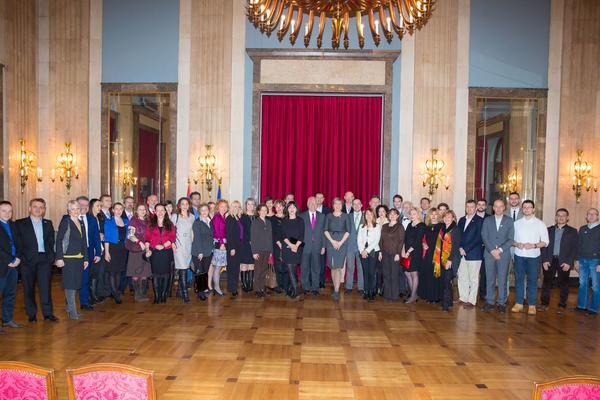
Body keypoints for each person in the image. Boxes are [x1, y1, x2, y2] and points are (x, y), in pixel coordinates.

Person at [15, 198, 57, 322]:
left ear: (44, 210)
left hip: (44, 259)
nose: (38, 209)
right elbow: (18, 243)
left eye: (41, 207)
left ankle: (48, 314)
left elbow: (51, 242)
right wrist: (21, 258)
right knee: (28, 288)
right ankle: (32, 314)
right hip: (27, 261)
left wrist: (51, 257)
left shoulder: (48, 223)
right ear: (29, 208)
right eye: (35, 206)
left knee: (45, 288)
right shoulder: (20, 223)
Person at [512, 200, 548, 315]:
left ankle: (532, 304)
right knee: (519, 280)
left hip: (534, 257)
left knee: (532, 281)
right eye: (525, 207)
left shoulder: (540, 223)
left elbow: (546, 242)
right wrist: (517, 244)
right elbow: (510, 240)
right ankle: (519, 303)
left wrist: (534, 245)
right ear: (522, 209)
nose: (527, 209)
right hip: (519, 256)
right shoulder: (516, 223)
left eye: (529, 207)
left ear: (533, 209)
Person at [539, 208, 578, 313]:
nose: (561, 217)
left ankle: (562, 305)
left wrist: (569, 262)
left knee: (564, 284)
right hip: (549, 260)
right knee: (547, 283)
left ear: (567, 218)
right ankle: (544, 304)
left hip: (564, 261)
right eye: (558, 215)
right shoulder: (548, 230)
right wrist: (545, 260)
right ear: (556, 217)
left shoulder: (573, 231)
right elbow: (543, 246)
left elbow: (574, 248)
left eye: (563, 215)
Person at [55, 200, 89, 320]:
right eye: (73, 209)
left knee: (76, 284)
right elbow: (58, 240)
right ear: (69, 210)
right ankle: (72, 311)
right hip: (68, 258)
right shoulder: (66, 222)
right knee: (70, 285)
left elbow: (84, 241)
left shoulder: (81, 222)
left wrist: (86, 258)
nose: (75, 211)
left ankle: (71, 308)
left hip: (79, 258)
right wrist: (59, 258)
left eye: (77, 209)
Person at [480, 199, 514, 313]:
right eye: (496, 206)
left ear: (504, 207)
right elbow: (484, 236)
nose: (498, 209)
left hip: (503, 255)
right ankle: (490, 301)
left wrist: (499, 250)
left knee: (502, 279)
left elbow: (511, 239)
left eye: (501, 206)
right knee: (490, 279)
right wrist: (492, 251)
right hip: (489, 254)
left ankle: (501, 303)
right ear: (493, 208)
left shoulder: (509, 221)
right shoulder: (487, 220)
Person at [144, 203, 176, 304]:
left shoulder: (170, 224)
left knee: (166, 274)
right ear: (155, 212)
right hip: (155, 252)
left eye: (162, 210)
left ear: (165, 211)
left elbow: (173, 237)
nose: (160, 212)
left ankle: (163, 295)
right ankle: (157, 295)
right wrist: (154, 245)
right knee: (156, 274)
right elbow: (147, 237)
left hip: (166, 251)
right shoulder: (150, 224)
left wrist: (166, 244)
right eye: (158, 210)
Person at [456, 200, 484, 308]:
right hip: (461, 252)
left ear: (476, 208)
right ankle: (463, 297)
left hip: (474, 254)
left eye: (472, 207)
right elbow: (458, 235)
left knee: (473, 278)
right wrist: (459, 247)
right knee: (462, 276)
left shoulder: (480, 221)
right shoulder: (462, 220)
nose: (469, 209)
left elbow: (478, 238)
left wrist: (465, 249)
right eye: (467, 206)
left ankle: (472, 300)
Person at [75, 196, 101, 310]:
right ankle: (70, 303)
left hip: (89, 252)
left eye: (86, 205)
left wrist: (98, 253)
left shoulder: (92, 219)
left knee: (85, 279)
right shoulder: (68, 218)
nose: (84, 207)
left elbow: (96, 238)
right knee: (72, 279)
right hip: (73, 254)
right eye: (81, 205)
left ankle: (84, 303)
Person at [0, 201, 22, 332]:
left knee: (10, 294)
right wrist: (9, 259)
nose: (7, 213)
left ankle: (7, 319)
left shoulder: (14, 225)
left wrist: (18, 258)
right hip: (2, 264)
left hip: (14, 265)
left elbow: (19, 243)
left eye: (10, 211)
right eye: (4, 210)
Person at [574, 208, 600, 316]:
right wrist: (576, 260)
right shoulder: (582, 228)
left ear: (598, 216)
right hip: (582, 260)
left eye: (594, 214)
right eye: (589, 214)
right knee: (582, 284)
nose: (591, 216)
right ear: (586, 216)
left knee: (595, 286)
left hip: (595, 261)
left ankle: (593, 309)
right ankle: (581, 306)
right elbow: (578, 245)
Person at [324, 198, 351, 301]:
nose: (338, 205)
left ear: (342, 205)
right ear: (333, 205)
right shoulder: (329, 216)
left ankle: (336, 290)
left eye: (340, 204)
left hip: (342, 243)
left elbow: (348, 231)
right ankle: (335, 287)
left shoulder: (346, 216)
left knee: (339, 267)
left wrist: (340, 242)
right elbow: (325, 230)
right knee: (333, 267)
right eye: (336, 204)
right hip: (331, 243)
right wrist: (332, 241)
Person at [435, 210, 461, 312]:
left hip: (451, 259)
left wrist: (449, 260)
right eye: (445, 217)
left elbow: (455, 246)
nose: (447, 218)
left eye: (449, 217)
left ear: (453, 218)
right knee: (445, 281)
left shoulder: (455, 229)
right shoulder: (442, 229)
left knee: (446, 282)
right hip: (441, 258)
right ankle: (449, 301)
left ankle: (445, 305)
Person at [103, 203, 129, 304]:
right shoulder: (108, 222)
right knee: (112, 272)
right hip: (113, 248)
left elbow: (129, 235)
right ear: (112, 210)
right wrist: (106, 252)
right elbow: (107, 238)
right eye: (116, 209)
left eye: (120, 209)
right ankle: (115, 294)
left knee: (119, 272)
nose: (118, 211)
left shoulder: (126, 221)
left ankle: (116, 292)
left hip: (123, 249)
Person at [171, 197, 195, 304]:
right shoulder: (174, 216)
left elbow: (192, 232)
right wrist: (172, 243)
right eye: (182, 204)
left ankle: (179, 291)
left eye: (186, 204)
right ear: (179, 206)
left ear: (189, 205)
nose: (184, 206)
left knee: (184, 268)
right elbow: (170, 232)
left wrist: (193, 245)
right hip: (179, 245)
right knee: (183, 268)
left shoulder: (192, 217)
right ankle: (185, 294)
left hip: (188, 246)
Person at [126, 204, 151, 302]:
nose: (142, 211)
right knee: (136, 272)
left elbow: (150, 236)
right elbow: (130, 235)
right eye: (140, 209)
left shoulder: (148, 221)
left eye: (144, 209)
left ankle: (143, 293)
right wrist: (139, 242)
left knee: (144, 272)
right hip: (136, 249)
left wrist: (148, 246)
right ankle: (137, 294)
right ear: (136, 210)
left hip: (146, 250)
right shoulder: (133, 220)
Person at [300, 197, 325, 295]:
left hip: (317, 246)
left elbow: (324, 232)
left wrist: (323, 246)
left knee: (316, 267)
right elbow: (299, 233)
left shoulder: (322, 216)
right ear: (307, 204)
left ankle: (315, 288)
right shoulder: (301, 216)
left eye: (314, 203)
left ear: (317, 204)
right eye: (311, 202)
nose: (313, 204)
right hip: (305, 246)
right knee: (305, 267)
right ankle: (305, 287)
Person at [378, 208, 405, 301]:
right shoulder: (384, 226)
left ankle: (394, 295)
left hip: (395, 253)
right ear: (388, 216)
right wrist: (380, 252)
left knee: (394, 274)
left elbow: (401, 241)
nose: (392, 215)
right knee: (386, 274)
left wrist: (398, 253)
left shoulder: (400, 226)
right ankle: (387, 294)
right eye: (390, 214)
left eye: (394, 214)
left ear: (397, 216)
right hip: (385, 253)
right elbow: (381, 240)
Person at [280, 202, 304, 299]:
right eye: (290, 207)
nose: (292, 209)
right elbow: (283, 236)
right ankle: (295, 290)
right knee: (290, 269)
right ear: (287, 209)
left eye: (294, 207)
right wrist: (290, 245)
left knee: (293, 270)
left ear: (296, 209)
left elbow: (302, 235)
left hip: (297, 248)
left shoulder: (300, 220)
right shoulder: (284, 221)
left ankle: (293, 290)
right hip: (287, 248)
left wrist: (296, 246)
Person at [419, 208, 443, 303]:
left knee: (435, 276)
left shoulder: (442, 226)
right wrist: (423, 244)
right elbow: (423, 239)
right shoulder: (426, 227)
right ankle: (428, 296)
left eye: (435, 214)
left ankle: (436, 297)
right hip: (428, 254)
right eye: (431, 214)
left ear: (438, 216)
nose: (433, 216)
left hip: (438, 254)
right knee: (428, 274)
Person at [403, 208, 426, 303]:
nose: (412, 215)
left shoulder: (421, 225)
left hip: (415, 252)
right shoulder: (409, 224)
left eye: (414, 214)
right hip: (407, 251)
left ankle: (413, 295)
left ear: (418, 215)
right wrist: (403, 250)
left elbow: (418, 240)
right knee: (407, 273)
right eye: (411, 214)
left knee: (414, 273)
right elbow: (405, 238)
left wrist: (408, 251)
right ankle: (414, 294)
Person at [357, 209, 381, 301]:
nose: (369, 215)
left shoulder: (377, 226)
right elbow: (359, 239)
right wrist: (362, 251)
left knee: (371, 272)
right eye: (367, 214)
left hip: (373, 251)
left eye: (371, 214)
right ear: (365, 215)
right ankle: (366, 291)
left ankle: (371, 292)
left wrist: (366, 250)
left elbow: (376, 240)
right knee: (365, 272)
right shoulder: (361, 226)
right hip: (362, 252)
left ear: (373, 216)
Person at [191, 204, 213, 301]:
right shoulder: (197, 223)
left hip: (208, 251)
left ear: (208, 211)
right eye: (202, 210)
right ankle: (200, 293)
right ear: (199, 211)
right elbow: (197, 238)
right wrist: (200, 252)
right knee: (200, 272)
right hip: (198, 252)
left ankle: (202, 289)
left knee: (205, 271)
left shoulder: (210, 221)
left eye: (206, 210)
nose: (204, 212)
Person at [251, 204, 273, 298]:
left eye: (265, 210)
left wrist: (271, 250)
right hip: (258, 250)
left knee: (264, 270)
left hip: (267, 249)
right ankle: (257, 289)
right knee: (258, 270)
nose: (264, 212)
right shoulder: (255, 222)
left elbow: (270, 237)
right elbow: (253, 237)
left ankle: (262, 288)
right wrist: (254, 252)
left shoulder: (268, 222)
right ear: (258, 212)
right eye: (262, 210)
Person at [88, 199, 107, 304]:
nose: (100, 207)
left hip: (100, 248)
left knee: (97, 273)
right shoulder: (88, 218)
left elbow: (103, 230)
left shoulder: (100, 218)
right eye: (97, 205)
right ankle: (90, 296)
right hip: (92, 248)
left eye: (100, 205)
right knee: (91, 273)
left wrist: (102, 234)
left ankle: (95, 294)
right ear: (91, 206)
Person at [345, 198, 364, 294]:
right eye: (354, 204)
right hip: (350, 246)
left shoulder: (366, 216)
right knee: (350, 267)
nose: (356, 206)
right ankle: (348, 287)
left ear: (361, 205)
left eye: (358, 204)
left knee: (361, 267)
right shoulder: (347, 217)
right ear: (352, 206)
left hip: (362, 247)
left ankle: (361, 287)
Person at [210, 200, 228, 296]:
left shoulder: (223, 217)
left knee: (219, 266)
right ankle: (216, 288)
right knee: (217, 267)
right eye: (222, 206)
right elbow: (217, 232)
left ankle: (217, 287)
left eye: (225, 206)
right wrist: (221, 243)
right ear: (218, 207)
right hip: (219, 244)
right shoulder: (217, 217)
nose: (224, 208)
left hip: (223, 243)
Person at [226, 201, 243, 298]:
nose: (236, 208)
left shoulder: (237, 218)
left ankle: (233, 286)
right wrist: (232, 248)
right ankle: (232, 289)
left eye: (238, 206)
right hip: (233, 247)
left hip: (238, 246)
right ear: (231, 207)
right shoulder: (230, 218)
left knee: (236, 268)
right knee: (232, 268)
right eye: (234, 206)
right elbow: (229, 235)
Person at [269, 200, 287, 294]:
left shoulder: (287, 218)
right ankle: (279, 285)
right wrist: (278, 243)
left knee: (285, 265)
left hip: (287, 245)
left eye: (281, 206)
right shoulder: (271, 219)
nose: (279, 208)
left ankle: (285, 285)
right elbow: (271, 233)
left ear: (284, 207)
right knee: (277, 266)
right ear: (275, 208)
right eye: (277, 206)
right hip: (276, 245)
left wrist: (286, 243)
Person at [240, 198, 256, 292]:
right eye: (248, 204)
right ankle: (244, 284)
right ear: (246, 205)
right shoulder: (242, 216)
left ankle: (250, 284)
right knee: (244, 264)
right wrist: (249, 240)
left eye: (252, 204)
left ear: (254, 206)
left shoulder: (256, 217)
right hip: (244, 244)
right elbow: (242, 231)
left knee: (252, 264)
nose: (250, 206)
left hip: (254, 245)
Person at [476, 198, 490, 301]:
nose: (481, 206)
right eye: (479, 204)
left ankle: (483, 294)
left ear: (485, 206)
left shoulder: (490, 218)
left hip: (486, 249)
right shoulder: (472, 217)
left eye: (483, 205)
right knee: (473, 273)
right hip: (475, 249)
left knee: (484, 273)